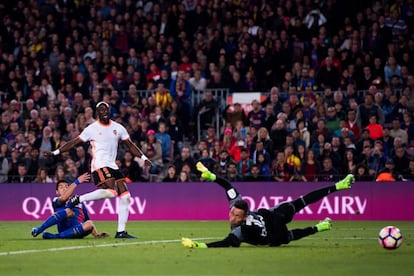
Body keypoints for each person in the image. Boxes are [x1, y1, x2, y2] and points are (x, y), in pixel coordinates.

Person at [182, 162, 355, 248]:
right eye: (233, 214)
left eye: (236, 216)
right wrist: (212, 176)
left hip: (271, 214)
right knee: (287, 236)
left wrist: (202, 245)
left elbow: (228, 187)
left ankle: (339, 185)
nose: (232, 217)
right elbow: (225, 242)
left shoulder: (239, 229)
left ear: (245, 215)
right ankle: (320, 227)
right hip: (272, 234)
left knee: (301, 201)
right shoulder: (240, 228)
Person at [44, 102, 152, 238]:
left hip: (113, 166)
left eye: (106, 109)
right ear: (97, 113)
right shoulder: (92, 129)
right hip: (99, 165)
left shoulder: (118, 128)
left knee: (126, 196)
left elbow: (130, 145)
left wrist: (144, 157)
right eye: (101, 109)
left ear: (109, 110)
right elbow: (74, 142)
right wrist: (55, 152)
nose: (104, 111)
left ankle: (120, 232)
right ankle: (79, 199)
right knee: (112, 192)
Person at [31, 173, 108, 239]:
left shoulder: (79, 201)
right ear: (57, 192)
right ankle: (39, 229)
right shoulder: (56, 200)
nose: (64, 188)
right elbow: (64, 197)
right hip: (63, 228)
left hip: (77, 230)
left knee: (90, 224)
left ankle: (55, 236)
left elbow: (87, 219)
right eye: (61, 187)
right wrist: (77, 181)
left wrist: (96, 234)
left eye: (66, 187)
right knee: (69, 211)